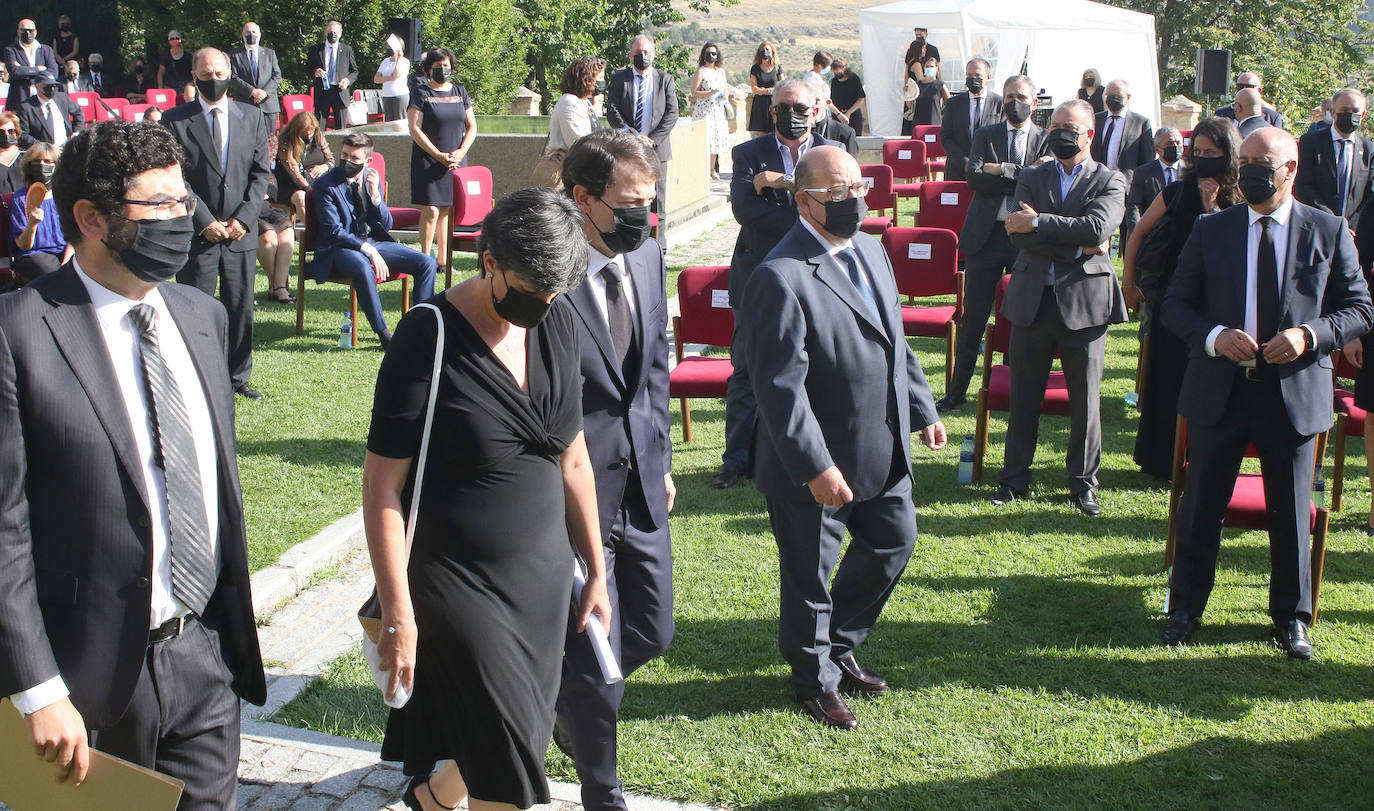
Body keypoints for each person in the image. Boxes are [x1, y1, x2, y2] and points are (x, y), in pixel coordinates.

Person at [0, 118, 266, 809]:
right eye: (162, 206)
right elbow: (5, 531)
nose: (185, 219)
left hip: (203, 653)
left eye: (185, 201)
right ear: (91, 217)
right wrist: (38, 689)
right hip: (88, 680)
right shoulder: (18, 333)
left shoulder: (198, 314)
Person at [365, 185, 610, 811]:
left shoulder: (556, 320)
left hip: (541, 582)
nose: (545, 302)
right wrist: (398, 613)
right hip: (457, 581)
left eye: (556, 291)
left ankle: (434, 797)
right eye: (532, 289)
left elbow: (574, 459)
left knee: (516, 735)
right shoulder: (427, 337)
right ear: (491, 261)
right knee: (510, 768)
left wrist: (597, 571)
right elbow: (383, 487)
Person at [742, 145, 947, 730]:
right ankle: (814, 680)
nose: (852, 200)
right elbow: (780, 387)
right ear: (803, 201)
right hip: (817, 465)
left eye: (857, 189)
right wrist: (815, 465)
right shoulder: (778, 276)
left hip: (881, 448)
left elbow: (894, 341)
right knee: (809, 574)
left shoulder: (872, 250)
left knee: (895, 541)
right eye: (836, 194)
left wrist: (922, 407)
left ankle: (838, 644)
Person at [1160, 126, 1373, 659]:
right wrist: (1214, 336)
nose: (1250, 170)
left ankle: (1291, 617)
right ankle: (1184, 607)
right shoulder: (1214, 229)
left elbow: (1359, 308)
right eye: (1246, 160)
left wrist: (1310, 336)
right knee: (1201, 503)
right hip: (1220, 390)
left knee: (1292, 510)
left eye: (1263, 162)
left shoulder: (1327, 230)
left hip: (1294, 393)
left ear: (1290, 169)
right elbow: (1175, 305)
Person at [553, 128, 675, 811]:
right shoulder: (550, 274)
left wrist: (659, 459)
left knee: (652, 631)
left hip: (641, 485)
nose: (644, 215)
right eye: (630, 201)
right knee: (599, 668)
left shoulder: (650, 254)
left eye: (650, 200)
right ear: (584, 198)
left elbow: (654, 362)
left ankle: (561, 698)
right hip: (575, 496)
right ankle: (603, 790)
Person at [991, 99, 1127, 517]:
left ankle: (1083, 483)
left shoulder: (1111, 180)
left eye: (1070, 127)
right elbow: (1018, 234)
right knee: (1024, 394)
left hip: (1084, 305)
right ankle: (1014, 479)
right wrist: (1078, 243)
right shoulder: (1032, 176)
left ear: (1089, 134)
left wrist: (1041, 223)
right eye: (1056, 125)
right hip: (1033, 299)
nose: (1060, 132)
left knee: (1085, 400)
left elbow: (1098, 228)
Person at [715, 78, 839, 491]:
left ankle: (813, 456)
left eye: (800, 106)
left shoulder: (833, 153)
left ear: (816, 110)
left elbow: (840, 209)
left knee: (817, 365)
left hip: (816, 276)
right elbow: (745, 210)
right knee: (747, 370)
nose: (792, 112)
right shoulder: (748, 153)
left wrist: (778, 184)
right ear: (772, 110)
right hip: (757, 275)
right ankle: (736, 459)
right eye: (784, 105)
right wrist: (808, 220)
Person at [1123, 117, 1242, 478]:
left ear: (1229, 155)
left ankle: (1200, 456)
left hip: (1221, 303)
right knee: (1166, 376)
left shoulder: (1241, 196)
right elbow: (1138, 232)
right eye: (1199, 151)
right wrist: (1129, 282)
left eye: (1213, 152)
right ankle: (1160, 458)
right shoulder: (1176, 190)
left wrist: (1211, 206)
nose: (1204, 158)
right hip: (1175, 299)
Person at [163, 47, 271, 400]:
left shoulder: (252, 117)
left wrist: (244, 217)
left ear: (230, 74)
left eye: (219, 73)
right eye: (206, 75)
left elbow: (260, 174)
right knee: (195, 308)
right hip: (199, 233)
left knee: (241, 308)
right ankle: (197, 374)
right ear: (194, 77)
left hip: (241, 232)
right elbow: (174, 177)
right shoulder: (175, 120)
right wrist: (204, 219)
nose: (214, 80)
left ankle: (238, 377)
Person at [938, 75, 1049, 412]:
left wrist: (1000, 170)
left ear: (1034, 101)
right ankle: (957, 390)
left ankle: (1015, 388)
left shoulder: (1046, 140)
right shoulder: (985, 134)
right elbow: (973, 177)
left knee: (1020, 316)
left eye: (1022, 96)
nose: (1015, 101)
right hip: (985, 238)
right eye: (1010, 95)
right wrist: (1022, 173)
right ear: (1002, 100)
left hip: (1024, 239)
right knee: (973, 318)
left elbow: (1041, 186)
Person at [305, 132, 437, 347]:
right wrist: (368, 249)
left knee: (427, 262)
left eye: (355, 158)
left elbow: (385, 224)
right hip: (339, 247)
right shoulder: (326, 185)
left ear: (367, 161)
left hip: (372, 241)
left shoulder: (369, 179)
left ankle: (422, 328)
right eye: (345, 155)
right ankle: (384, 334)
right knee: (362, 266)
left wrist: (375, 195)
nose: (348, 161)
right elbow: (334, 231)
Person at [408, 47, 476, 278]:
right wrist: (437, 154)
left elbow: (472, 127)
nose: (443, 70)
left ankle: (444, 261)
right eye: (438, 67)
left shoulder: (460, 91)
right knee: (431, 210)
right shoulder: (420, 92)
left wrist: (460, 152)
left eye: (446, 66)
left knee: (447, 210)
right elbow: (414, 128)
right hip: (428, 159)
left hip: (455, 160)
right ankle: (425, 260)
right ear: (429, 69)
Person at [1295, 88, 1374, 268]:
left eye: (1354, 111)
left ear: (1363, 114)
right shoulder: (1310, 143)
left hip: (1355, 238)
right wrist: (1333, 223)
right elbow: (1304, 187)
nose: (1350, 115)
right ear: (1332, 112)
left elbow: (1370, 195)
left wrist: (1351, 227)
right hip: (1316, 231)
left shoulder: (1369, 151)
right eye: (1344, 110)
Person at [604, 35, 677, 224]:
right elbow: (612, 110)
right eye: (638, 53)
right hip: (628, 149)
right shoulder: (620, 79)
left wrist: (652, 139)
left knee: (657, 201)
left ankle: (659, 246)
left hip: (657, 150)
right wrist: (633, 136)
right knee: (629, 198)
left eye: (646, 52)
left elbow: (672, 113)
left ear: (653, 54)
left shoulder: (665, 79)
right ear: (630, 55)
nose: (642, 56)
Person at [8, 142, 69, 281]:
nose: (42, 165)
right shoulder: (22, 198)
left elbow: (74, 237)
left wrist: (68, 260)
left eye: (47, 161)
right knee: (54, 275)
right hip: (34, 255)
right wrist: (32, 224)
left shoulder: (64, 196)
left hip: (63, 252)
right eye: (37, 162)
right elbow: (23, 246)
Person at [940, 58, 1002, 181]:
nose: (973, 78)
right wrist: (965, 162)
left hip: (989, 172)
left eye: (977, 75)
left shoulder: (1000, 104)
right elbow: (946, 137)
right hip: (958, 171)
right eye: (969, 75)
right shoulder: (953, 104)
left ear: (988, 77)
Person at [1089, 79, 1153, 187]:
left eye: (1117, 95)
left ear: (1128, 97)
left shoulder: (1141, 123)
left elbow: (1147, 159)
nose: (1112, 98)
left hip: (1126, 185)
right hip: (1096, 182)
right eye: (1109, 95)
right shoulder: (1096, 120)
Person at [1124, 127, 1184, 241]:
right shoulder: (1143, 173)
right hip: (1153, 236)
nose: (1175, 147)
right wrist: (1138, 235)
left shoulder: (1191, 172)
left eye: (1178, 143)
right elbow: (1134, 206)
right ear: (1157, 148)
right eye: (1170, 143)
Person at [274, 110, 333, 220]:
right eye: (305, 132)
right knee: (302, 197)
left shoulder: (318, 136)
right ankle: (312, 231)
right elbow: (295, 174)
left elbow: (330, 160)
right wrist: (311, 191)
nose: (309, 135)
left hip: (315, 179)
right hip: (289, 184)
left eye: (311, 131)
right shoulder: (286, 142)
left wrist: (324, 167)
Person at [228, 22, 282, 134]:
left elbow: (277, 76)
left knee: (269, 143)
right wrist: (252, 91)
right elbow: (233, 77)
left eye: (254, 32)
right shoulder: (234, 55)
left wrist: (263, 93)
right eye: (248, 32)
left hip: (268, 105)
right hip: (245, 104)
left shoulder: (269, 54)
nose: (251, 34)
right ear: (243, 34)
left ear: (260, 34)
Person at [549, 56, 606, 154]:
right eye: (600, 78)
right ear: (586, 78)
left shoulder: (584, 102)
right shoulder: (569, 102)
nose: (602, 82)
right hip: (568, 166)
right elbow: (579, 144)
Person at [306, 21, 358, 130]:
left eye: (335, 32)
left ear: (340, 33)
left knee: (341, 128)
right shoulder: (316, 49)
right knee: (319, 127)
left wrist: (347, 81)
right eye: (330, 31)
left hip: (340, 91)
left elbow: (354, 71)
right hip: (322, 92)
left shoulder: (347, 50)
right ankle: (320, 146)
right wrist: (315, 72)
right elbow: (307, 69)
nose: (332, 34)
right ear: (325, 32)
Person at [689, 43, 730, 180]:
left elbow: (725, 87)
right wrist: (710, 93)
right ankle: (701, 169)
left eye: (714, 53)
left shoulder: (721, 71)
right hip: (704, 111)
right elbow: (694, 92)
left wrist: (725, 95)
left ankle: (712, 170)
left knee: (715, 141)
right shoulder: (701, 71)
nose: (711, 56)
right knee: (705, 140)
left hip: (717, 110)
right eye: (708, 53)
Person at [16, 71, 82, 148]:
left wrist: (76, 131)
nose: (52, 89)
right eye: (48, 86)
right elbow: (23, 134)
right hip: (42, 151)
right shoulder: (26, 107)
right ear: (38, 86)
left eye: (54, 86)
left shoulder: (62, 98)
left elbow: (78, 111)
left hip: (65, 147)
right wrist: (44, 147)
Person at [5, 18, 59, 111]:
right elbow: (15, 72)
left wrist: (24, 70)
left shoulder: (46, 50)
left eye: (31, 30)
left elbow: (53, 73)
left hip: (43, 96)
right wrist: (39, 70)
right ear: (18, 32)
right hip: (19, 98)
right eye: (23, 30)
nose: (27, 33)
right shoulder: (10, 50)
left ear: (35, 32)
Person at [257, 175, 295, 304]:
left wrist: (263, 190)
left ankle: (278, 286)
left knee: (287, 230)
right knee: (269, 235)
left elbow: (270, 178)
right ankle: (277, 286)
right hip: (245, 209)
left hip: (264, 206)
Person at [806, 74, 858, 157]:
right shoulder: (796, 129)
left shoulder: (845, 133)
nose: (812, 106)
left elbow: (851, 167)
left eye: (816, 101)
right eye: (808, 101)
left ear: (827, 103)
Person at [1215, 72, 1284, 128]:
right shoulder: (1222, 114)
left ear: (1259, 91)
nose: (1244, 90)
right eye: (1240, 87)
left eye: (1249, 87)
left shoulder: (1272, 117)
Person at [746, 41, 781, 137]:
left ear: (772, 52)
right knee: (762, 134)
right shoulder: (755, 68)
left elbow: (782, 85)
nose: (765, 52)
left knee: (777, 132)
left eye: (767, 49)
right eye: (763, 49)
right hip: (760, 104)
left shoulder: (777, 68)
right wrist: (770, 90)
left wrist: (764, 91)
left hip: (774, 103)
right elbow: (754, 89)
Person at [374, 34, 411, 123]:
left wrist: (399, 58)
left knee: (400, 122)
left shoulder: (404, 61)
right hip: (386, 95)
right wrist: (390, 78)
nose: (388, 48)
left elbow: (396, 75)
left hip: (399, 95)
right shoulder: (385, 61)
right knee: (389, 123)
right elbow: (376, 79)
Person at [908, 55, 948, 133]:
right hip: (919, 125)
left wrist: (941, 114)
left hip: (934, 124)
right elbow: (910, 105)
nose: (929, 68)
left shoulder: (940, 84)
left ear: (936, 68)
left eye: (931, 66)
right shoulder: (917, 85)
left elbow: (949, 103)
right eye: (927, 66)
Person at [829, 57, 866, 136]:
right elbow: (831, 100)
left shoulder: (854, 79)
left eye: (838, 72)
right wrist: (839, 114)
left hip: (853, 116)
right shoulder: (834, 81)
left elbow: (861, 99)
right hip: (838, 116)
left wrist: (848, 113)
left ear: (844, 68)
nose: (836, 74)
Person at [0, 113, 22, 196]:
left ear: (16, 132)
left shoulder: (27, 157)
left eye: (11, 131)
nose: (6, 134)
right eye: (1, 132)